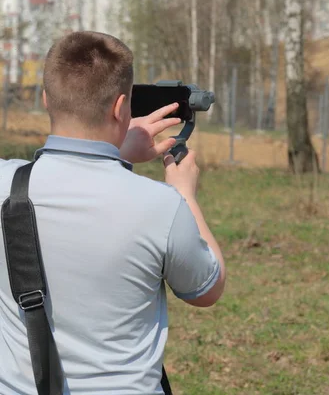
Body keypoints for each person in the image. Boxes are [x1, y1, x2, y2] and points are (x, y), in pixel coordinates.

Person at [0, 31, 225, 395]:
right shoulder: (161, 206)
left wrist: (117, 151)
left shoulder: (4, 185)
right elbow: (207, 289)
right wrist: (185, 195)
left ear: (46, 100)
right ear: (122, 108)